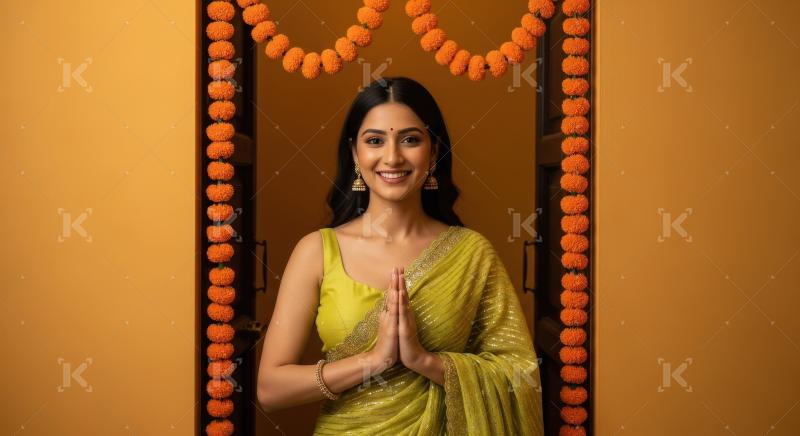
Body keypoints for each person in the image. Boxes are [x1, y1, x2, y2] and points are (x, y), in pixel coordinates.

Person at [256, 76, 544, 435]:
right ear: (354, 153)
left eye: (410, 139)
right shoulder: (317, 250)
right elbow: (270, 389)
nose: (392, 157)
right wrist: (372, 361)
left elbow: (519, 375)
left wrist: (424, 361)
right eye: (375, 141)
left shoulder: (471, 254)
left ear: (433, 151)